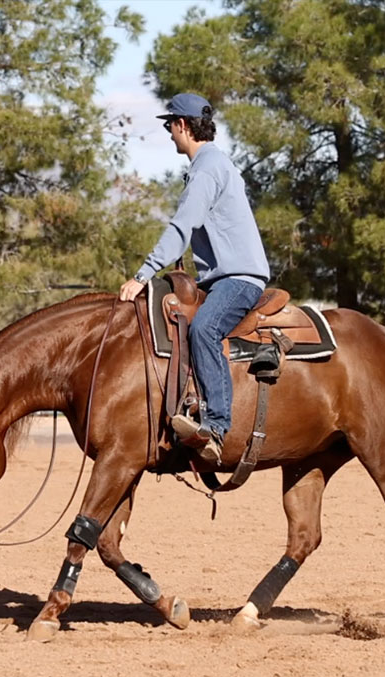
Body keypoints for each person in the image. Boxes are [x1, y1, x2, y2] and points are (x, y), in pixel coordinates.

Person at [118, 92, 271, 464]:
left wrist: (143, 274)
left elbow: (182, 226)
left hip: (239, 278)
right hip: (220, 277)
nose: (170, 133)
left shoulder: (207, 167)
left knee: (204, 329)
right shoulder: (213, 164)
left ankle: (216, 426)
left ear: (183, 125)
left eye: (170, 125)